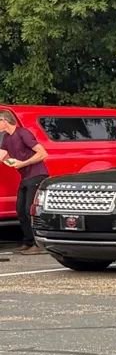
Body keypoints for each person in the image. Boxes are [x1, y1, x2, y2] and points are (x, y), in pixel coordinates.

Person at [0, 109, 50, 257]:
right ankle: (28, 242)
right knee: (20, 211)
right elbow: (2, 156)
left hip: (37, 175)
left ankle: (38, 244)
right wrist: (11, 162)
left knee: (29, 210)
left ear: (4, 121)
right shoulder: (6, 139)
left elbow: (42, 153)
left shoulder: (23, 133)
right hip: (25, 177)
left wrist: (23, 163)